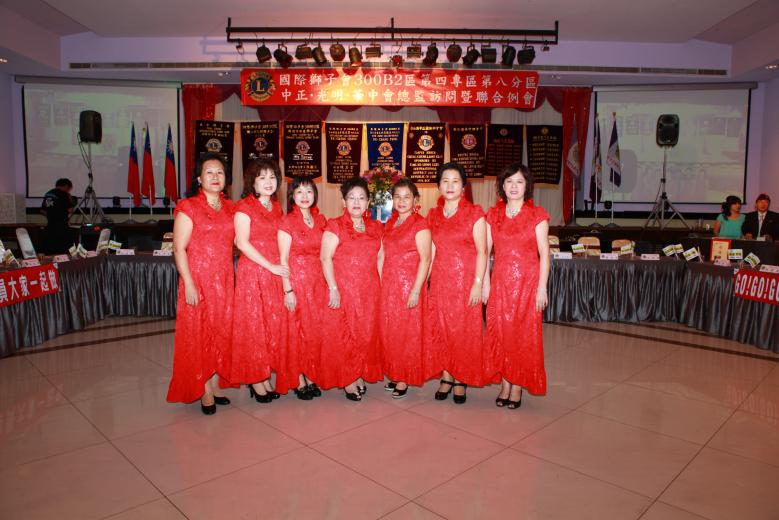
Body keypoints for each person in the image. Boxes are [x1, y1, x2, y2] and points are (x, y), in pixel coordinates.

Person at [167, 153, 235, 415]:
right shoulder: (189, 206)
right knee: (199, 334)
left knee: (220, 332)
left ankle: (215, 385)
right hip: (198, 279)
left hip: (225, 280)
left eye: (220, 172)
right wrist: (189, 283)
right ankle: (204, 389)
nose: (215, 177)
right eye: (209, 172)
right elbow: (179, 248)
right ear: (199, 178)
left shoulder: (231, 208)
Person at [484, 163, 550, 409]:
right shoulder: (493, 215)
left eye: (519, 182)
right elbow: (485, 252)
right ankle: (505, 383)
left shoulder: (537, 215)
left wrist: (542, 288)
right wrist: (485, 283)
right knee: (502, 334)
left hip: (527, 285)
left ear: (527, 186)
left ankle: (517, 385)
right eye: (509, 181)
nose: (514, 186)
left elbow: (545, 254)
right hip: (501, 284)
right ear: (502, 185)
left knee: (523, 336)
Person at [426, 162, 490, 404]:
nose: (450, 185)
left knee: (464, 331)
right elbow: (431, 251)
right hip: (441, 281)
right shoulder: (433, 215)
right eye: (445, 181)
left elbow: (482, 251)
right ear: (439, 186)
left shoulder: (475, 213)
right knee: (442, 329)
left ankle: (461, 378)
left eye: (455, 181)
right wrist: (425, 283)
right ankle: (446, 376)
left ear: (463, 186)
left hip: (466, 282)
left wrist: (477, 283)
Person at [319, 177, 383, 401]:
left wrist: (381, 286)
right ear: (343, 202)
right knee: (346, 336)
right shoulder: (335, 225)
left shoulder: (376, 227)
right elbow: (325, 258)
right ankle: (348, 379)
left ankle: (358, 372)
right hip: (343, 289)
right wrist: (333, 288)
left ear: (368, 202)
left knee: (365, 334)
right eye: (351, 198)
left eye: (361, 198)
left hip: (369, 290)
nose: (356, 202)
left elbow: (380, 257)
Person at [231, 158, 288, 404]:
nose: (268, 182)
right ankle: (255, 379)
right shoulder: (244, 206)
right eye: (262, 177)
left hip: (273, 273)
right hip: (254, 272)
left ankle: (263, 376)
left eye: (272, 177)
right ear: (252, 182)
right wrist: (270, 266)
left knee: (268, 326)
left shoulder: (276, 207)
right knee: (254, 326)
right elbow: (242, 243)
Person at [379, 178, 433, 399]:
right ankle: (395, 372)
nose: (401, 201)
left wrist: (416, 290)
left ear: (415, 200)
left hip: (410, 287)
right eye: (397, 197)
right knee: (392, 332)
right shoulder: (390, 223)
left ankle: (404, 377)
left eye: (407, 197)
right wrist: (381, 282)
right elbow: (383, 255)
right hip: (390, 287)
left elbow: (426, 259)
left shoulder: (420, 224)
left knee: (407, 333)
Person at [277, 176, 328, 400]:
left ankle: (311, 372)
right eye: (299, 192)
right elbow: (283, 259)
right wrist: (287, 290)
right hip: (297, 282)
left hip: (317, 284)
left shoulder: (321, 220)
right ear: (292, 196)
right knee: (297, 332)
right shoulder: (287, 221)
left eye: (309, 191)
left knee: (313, 332)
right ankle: (298, 378)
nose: (305, 196)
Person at [40, 178, 76, 254]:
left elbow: (43, 211)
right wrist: (70, 199)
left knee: (50, 249)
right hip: (62, 226)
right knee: (64, 250)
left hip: (50, 226)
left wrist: (51, 215)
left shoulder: (48, 194)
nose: (68, 191)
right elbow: (70, 210)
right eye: (69, 189)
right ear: (66, 186)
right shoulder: (64, 194)